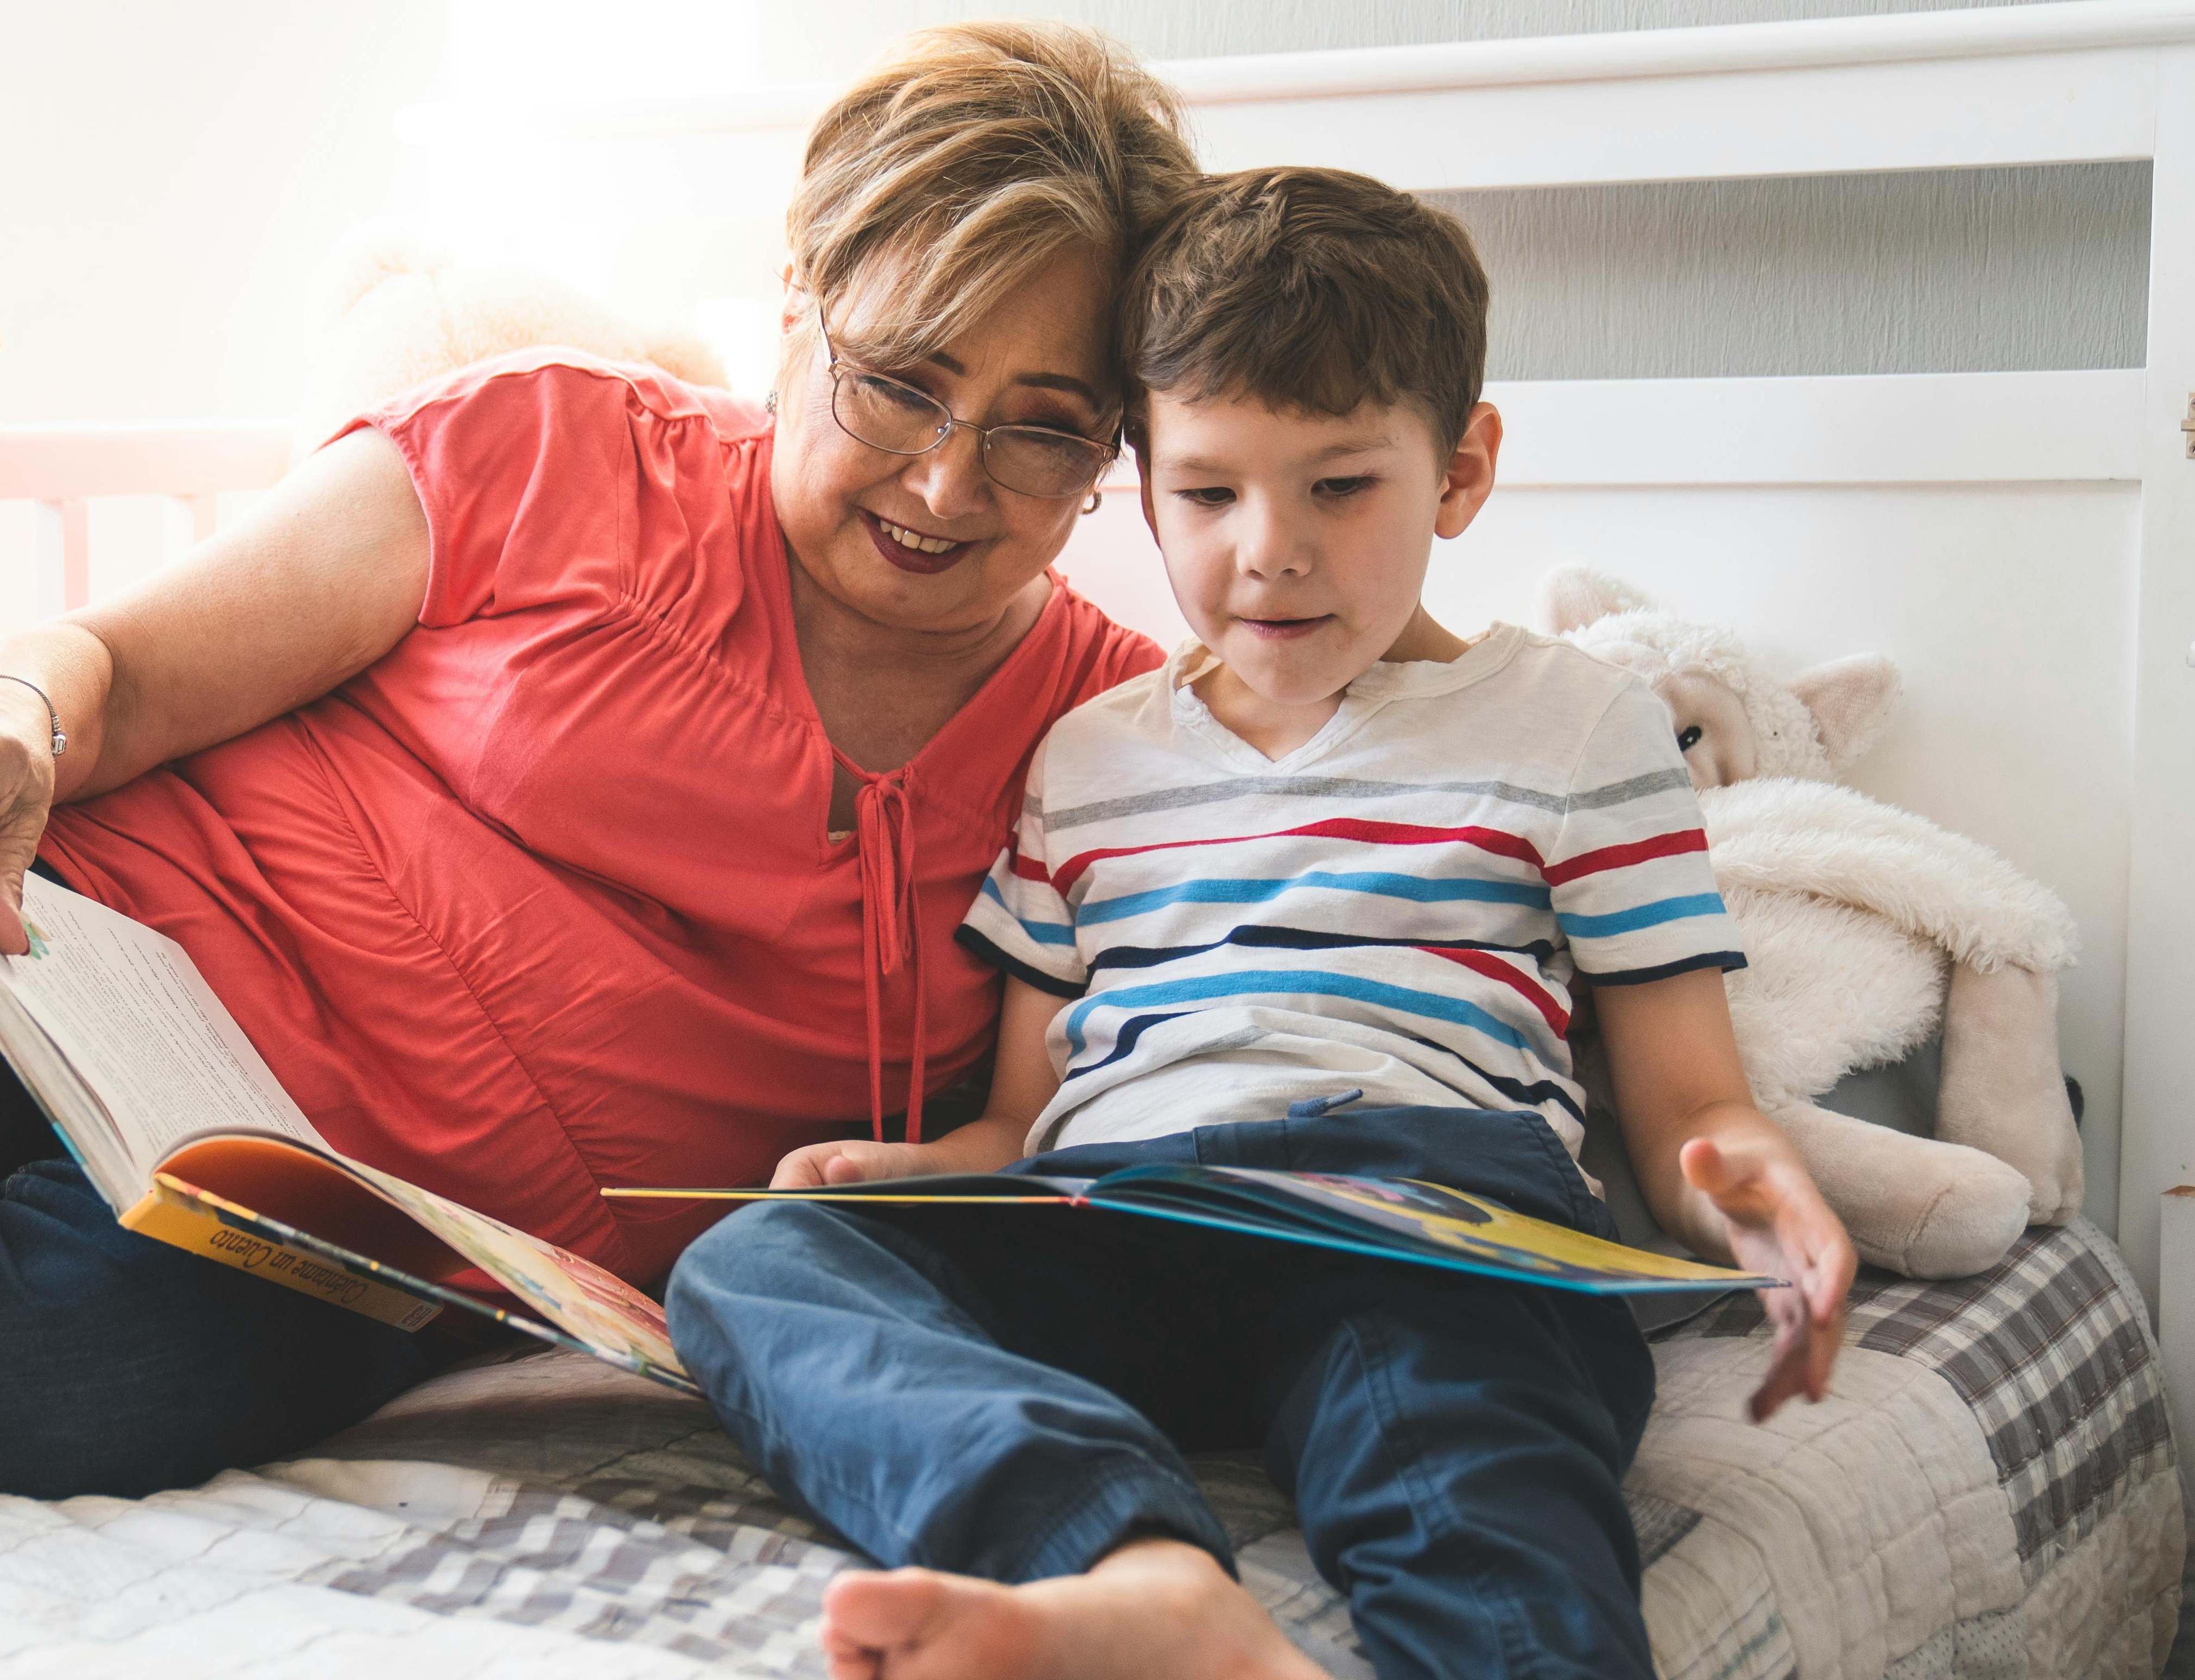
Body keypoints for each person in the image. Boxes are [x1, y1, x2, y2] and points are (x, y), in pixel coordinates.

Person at [666, 168, 1860, 1680]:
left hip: (1417, 1215)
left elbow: (1694, 1103)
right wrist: (910, 1179)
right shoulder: (1090, 757)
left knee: (1465, 1457)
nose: (1268, 551)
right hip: (1129, 1211)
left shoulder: (1578, 726)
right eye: (1208, 492)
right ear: (1140, 476)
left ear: (1462, 472)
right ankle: (1134, 1571)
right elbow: (1026, 1121)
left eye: (1340, 487)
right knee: (757, 1260)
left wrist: (1761, 1201)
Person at [0, 23, 1198, 1501]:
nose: (947, 481)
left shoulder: (1128, 744)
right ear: (796, 310)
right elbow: (110, 672)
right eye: (901, 382)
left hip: (349, 1243)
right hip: (80, 963)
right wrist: (23, 721)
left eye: (1046, 429)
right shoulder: (552, 443)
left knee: (91, 1374)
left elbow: (1424, 724)